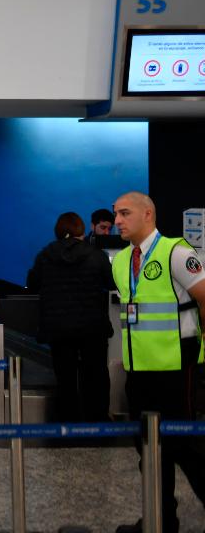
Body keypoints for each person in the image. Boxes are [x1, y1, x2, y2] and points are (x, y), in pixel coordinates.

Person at [111, 191, 205, 533]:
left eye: (125, 213)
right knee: (149, 451)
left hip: (177, 369)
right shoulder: (121, 260)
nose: (117, 221)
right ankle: (161, 521)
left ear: (147, 214)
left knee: (186, 448)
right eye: (116, 214)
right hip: (139, 371)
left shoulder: (176, 253)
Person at [26, 212, 114, 422]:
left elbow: (32, 284)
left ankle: (69, 422)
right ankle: (98, 422)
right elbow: (111, 283)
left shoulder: (45, 255)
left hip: (58, 328)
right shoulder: (96, 254)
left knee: (65, 378)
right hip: (93, 327)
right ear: (82, 232)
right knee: (97, 375)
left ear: (58, 231)